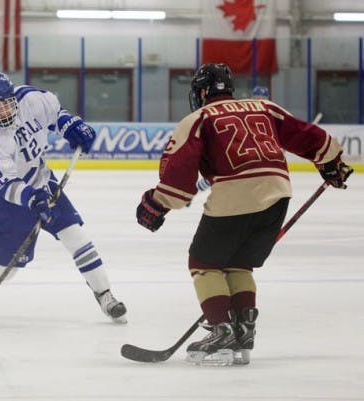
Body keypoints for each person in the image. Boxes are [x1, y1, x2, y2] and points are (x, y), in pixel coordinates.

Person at [136, 63, 353, 366]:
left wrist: (156, 204)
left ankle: (221, 329)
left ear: (201, 91)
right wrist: (330, 162)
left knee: (203, 263)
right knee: (239, 263)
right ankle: (244, 331)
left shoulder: (198, 118)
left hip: (235, 195)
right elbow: (306, 134)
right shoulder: (264, 106)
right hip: (278, 192)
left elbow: (179, 174)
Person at [0, 72, 127, 324]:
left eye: (4, 103)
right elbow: (5, 184)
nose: (1, 111)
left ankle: (105, 295)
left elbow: (56, 115)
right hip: (12, 203)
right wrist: (32, 199)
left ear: (13, 98)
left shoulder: (31, 99)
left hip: (43, 180)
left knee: (75, 236)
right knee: (5, 270)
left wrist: (72, 126)